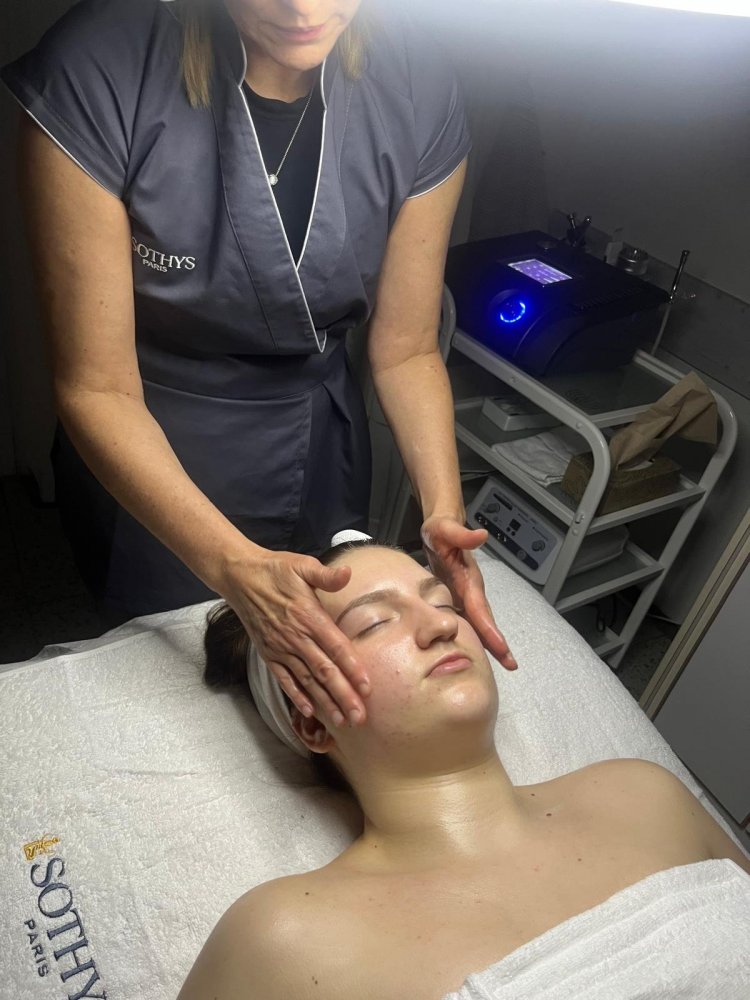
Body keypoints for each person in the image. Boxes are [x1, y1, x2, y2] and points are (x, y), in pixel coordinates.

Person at [2, 0, 516, 731]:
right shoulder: (100, 68)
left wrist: (442, 512)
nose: (303, 8)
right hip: (155, 431)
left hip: (320, 434)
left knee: (324, 658)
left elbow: (406, 349)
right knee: (181, 689)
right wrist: (233, 567)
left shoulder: (416, 82)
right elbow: (96, 387)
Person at [179, 539, 750, 1000]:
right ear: (314, 724)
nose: (441, 625)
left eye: (445, 604)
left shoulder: (644, 793)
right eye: (373, 623)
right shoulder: (285, 940)